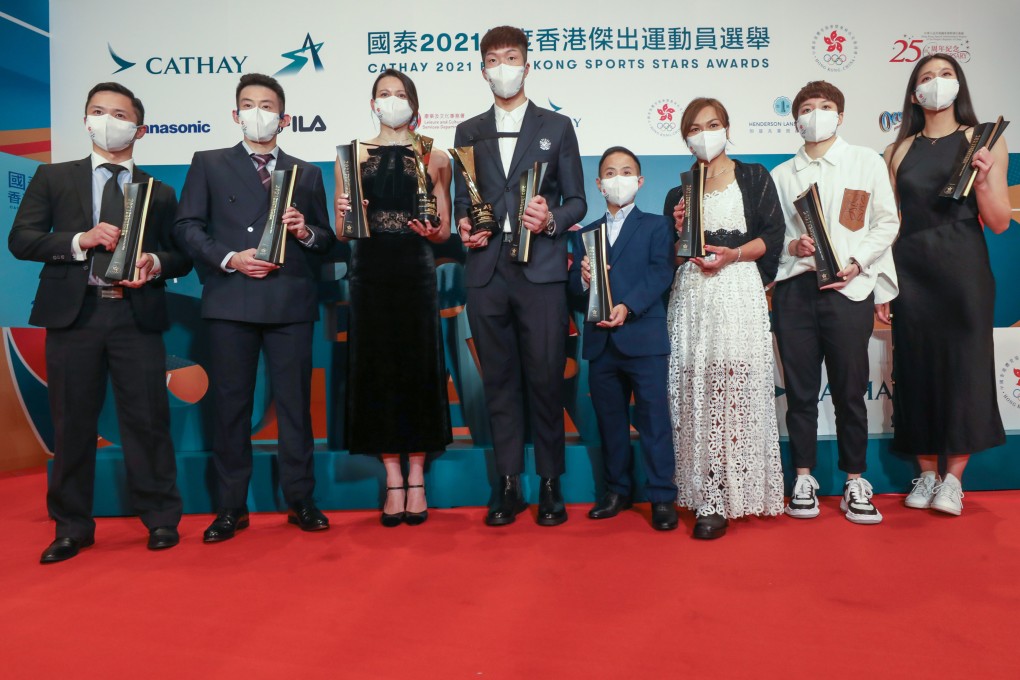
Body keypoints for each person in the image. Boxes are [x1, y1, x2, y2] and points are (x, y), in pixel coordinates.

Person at [9, 82, 191, 563]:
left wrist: (154, 261)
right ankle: (71, 527)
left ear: (140, 128)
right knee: (72, 423)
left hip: (135, 314)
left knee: (147, 420)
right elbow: (21, 239)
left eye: (119, 113)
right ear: (86, 120)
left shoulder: (160, 190)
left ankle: (160, 519)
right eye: (98, 111)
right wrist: (80, 240)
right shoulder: (53, 178)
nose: (107, 120)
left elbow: (181, 257)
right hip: (76, 315)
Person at [174, 73, 333, 541]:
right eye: (249, 104)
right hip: (230, 299)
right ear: (235, 113)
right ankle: (230, 507)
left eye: (267, 106)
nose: (258, 113)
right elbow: (186, 227)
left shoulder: (307, 172)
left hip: (290, 301)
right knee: (230, 407)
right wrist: (228, 258)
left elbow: (325, 239)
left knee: (295, 408)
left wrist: (305, 231)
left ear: (284, 119)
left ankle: (301, 499)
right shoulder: (209, 162)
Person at [452, 26, 586, 526]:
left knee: (546, 378)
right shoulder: (468, 131)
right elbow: (466, 201)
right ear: (483, 69)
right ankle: (508, 484)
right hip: (487, 270)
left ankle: (551, 483)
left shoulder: (557, 125)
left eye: (511, 57)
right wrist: (465, 224)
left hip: (541, 269)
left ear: (527, 66)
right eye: (493, 59)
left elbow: (577, 200)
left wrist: (550, 218)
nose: (502, 67)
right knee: (500, 382)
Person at [883, 54, 1011, 515]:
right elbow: (891, 222)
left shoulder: (985, 140)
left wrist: (982, 180)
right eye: (926, 78)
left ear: (960, 84)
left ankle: (954, 479)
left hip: (963, 268)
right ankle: (926, 473)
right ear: (914, 92)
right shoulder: (897, 150)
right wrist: (885, 283)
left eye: (946, 75)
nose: (937, 84)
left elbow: (997, 221)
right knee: (915, 368)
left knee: (965, 366)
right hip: (911, 268)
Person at [771, 81, 900, 525]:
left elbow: (886, 222)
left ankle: (854, 480)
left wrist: (857, 261)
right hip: (795, 293)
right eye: (807, 109)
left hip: (850, 290)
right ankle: (803, 477)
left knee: (850, 391)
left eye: (825, 107)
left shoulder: (866, 162)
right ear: (796, 121)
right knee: (801, 392)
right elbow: (775, 240)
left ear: (840, 115)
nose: (816, 114)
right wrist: (794, 247)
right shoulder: (782, 175)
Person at [663, 97, 785, 539]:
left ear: (727, 127)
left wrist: (732, 254)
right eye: (694, 128)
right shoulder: (679, 191)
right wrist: (676, 231)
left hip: (736, 290)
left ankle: (734, 490)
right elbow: (671, 258)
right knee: (697, 393)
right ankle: (706, 492)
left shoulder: (753, 176)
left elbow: (772, 237)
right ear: (685, 138)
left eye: (712, 124)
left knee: (732, 390)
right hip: (693, 296)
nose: (704, 133)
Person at [335, 69, 452, 526]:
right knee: (377, 371)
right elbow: (343, 229)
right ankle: (392, 479)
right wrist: (353, 216)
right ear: (372, 104)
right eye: (383, 94)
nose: (391, 101)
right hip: (369, 273)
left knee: (418, 368)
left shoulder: (435, 155)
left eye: (399, 94)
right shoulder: (352, 154)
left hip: (416, 271)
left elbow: (442, 228)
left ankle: (418, 475)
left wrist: (433, 230)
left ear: (414, 105)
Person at [568, 146, 678, 531]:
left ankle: (663, 496)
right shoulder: (585, 233)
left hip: (644, 339)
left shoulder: (658, 226)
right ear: (598, 184)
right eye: (610, 173)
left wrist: (628, 307)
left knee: (653, 420)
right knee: (609, 422)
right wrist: (581, 281)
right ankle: (616, 490)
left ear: (640, 180)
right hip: (601, 343)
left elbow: (661, 274)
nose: (618, 179)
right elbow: (574, 293)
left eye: (626, 171)